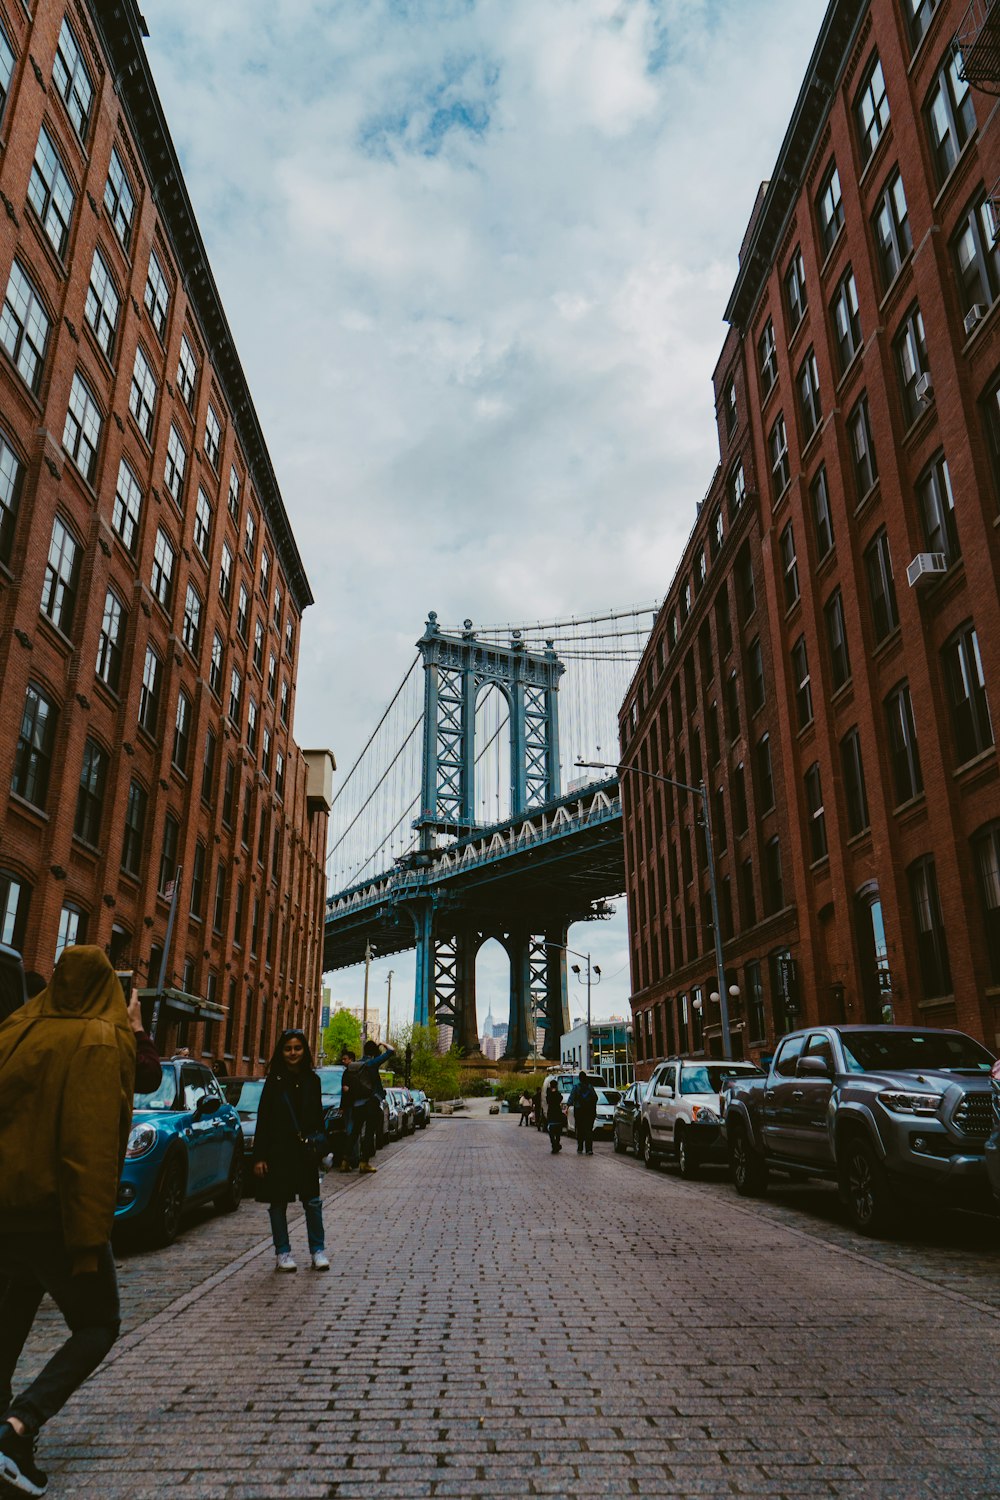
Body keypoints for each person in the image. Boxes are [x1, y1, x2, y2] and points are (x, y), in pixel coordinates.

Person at [0, 947, 139, 1498]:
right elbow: (89, 1149)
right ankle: (17, 1429)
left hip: (5, 1210)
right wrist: (88, 1238)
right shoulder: (101, 1041)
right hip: (53, 1214)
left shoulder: (15, 1027)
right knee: (98, 1323)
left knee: (9, 1320)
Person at [252, 1029, 329, 1273]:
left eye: (297, 1048)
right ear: (281, 1052)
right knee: (278, 1204)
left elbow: (318, 1118)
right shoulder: (274, 1082)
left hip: (305, 1152)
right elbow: (263, 1120)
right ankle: (282, 1252)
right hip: (278, 1151)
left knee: (313, 1202)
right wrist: (260, 1156)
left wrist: (320, 1146)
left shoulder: (313, 1081)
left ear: (305, 1050)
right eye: (288, 1049)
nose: (293, 1053)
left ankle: (318, 1250)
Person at [343, 1039, 395, 1175]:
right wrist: (383, 1044)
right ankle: (364, 1163)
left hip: (356, 1104)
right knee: (369, 1134)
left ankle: (345, 1161)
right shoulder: (371, 1064)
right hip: (370, 1103)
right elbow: (391, 1051)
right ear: (374, 1052)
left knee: (354, 1132)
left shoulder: (356, 1065)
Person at [568, 1071, 598, 1155]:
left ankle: (580, 1147)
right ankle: (589, 1149)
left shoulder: (576, 1087)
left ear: (579, 1078)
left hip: (579, 1111)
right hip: (589, 1112)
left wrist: (568, 1105)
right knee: (588, 1130)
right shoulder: (590, 1087)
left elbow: (571, 1098)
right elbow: (595, 1098)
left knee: (580, 1129)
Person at [545, 1081, 565, 1154]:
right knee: (558, 1131)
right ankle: (557, 1143)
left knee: (551, 1131)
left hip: (551, 1113)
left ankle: (554, 1145)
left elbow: (547, 1101)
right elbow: (560, 1098)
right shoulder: (558, 1094)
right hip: (557, 1113)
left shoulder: (549, 1094)